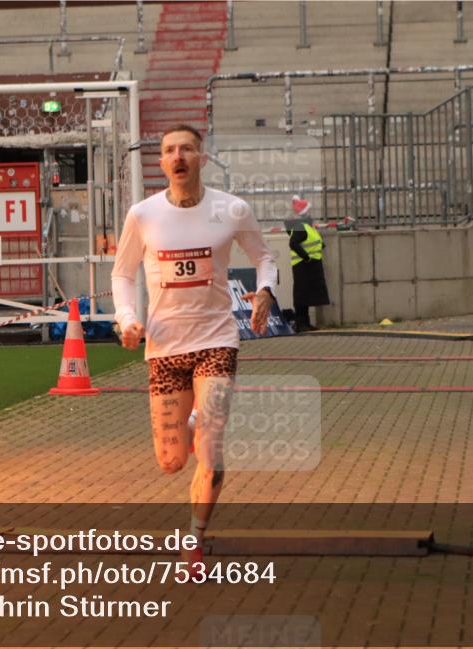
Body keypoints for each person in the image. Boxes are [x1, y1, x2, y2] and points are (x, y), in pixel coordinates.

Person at [111, 124, 278, 577]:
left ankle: (193, 543)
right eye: (169, 150)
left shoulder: (231, 208)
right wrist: (127, 320)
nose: (178, 155)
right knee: (171, 462)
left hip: (217, 339)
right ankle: (190, 419)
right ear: (161, 162)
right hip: (165, 345)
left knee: (212, 449)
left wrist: (264, 291)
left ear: (202, 157)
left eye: (187, 148)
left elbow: (265, 257)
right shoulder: (143, 215)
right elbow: (122, 275)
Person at [286, 195, 330, 333]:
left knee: (307, 295)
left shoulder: (307, 226)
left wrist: (320, 246)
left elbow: (313, 241)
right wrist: (306, 258)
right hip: (303, 265)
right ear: (304, 212)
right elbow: (293, 244)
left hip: (309, 265)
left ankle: (305, 323)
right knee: (302, 295)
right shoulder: (301, 226)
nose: (310, 213)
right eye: (308, 210)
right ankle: (301, 324)